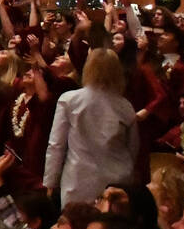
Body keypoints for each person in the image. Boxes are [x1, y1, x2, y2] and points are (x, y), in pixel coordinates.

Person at [45, 49, 141, 206]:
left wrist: (50, 181)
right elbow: (132, 148)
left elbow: (56, 146)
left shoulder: (69, 100)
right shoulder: (125, 106)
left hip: (78, 182)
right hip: (117, 183)